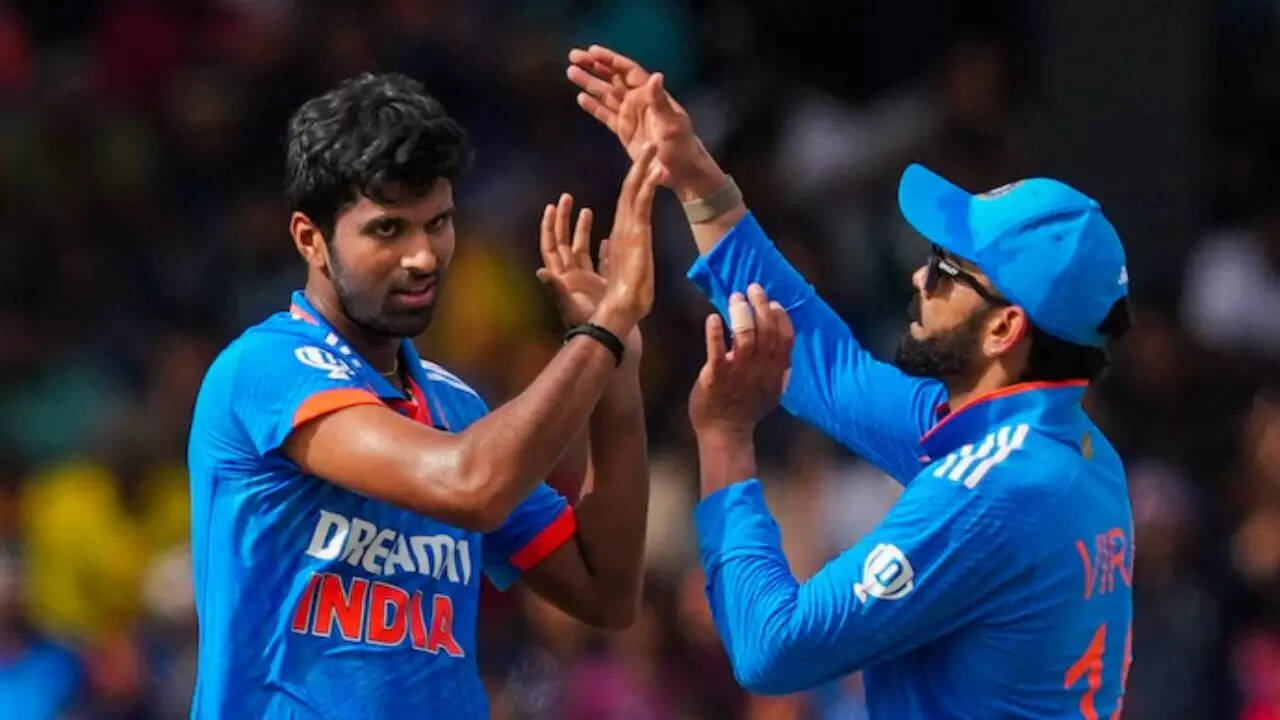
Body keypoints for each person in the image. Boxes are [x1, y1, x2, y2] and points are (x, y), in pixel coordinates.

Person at [569, 46, 1135, 718]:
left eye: (947, 270)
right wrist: (696, 178)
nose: (919, 277)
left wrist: (724, 439)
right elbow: (831, 370)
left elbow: (773, 648)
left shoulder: (997, 490)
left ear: (1004, 329)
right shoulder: (1060, 446)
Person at [187, 72, 661, 718]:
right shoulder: (264, 369)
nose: (423, 257)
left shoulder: (455, 408)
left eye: (437, 223)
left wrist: (618, 371)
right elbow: (471, 486)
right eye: (388, 230)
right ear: (310, 239)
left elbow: (606, 592)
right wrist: (600, 332)